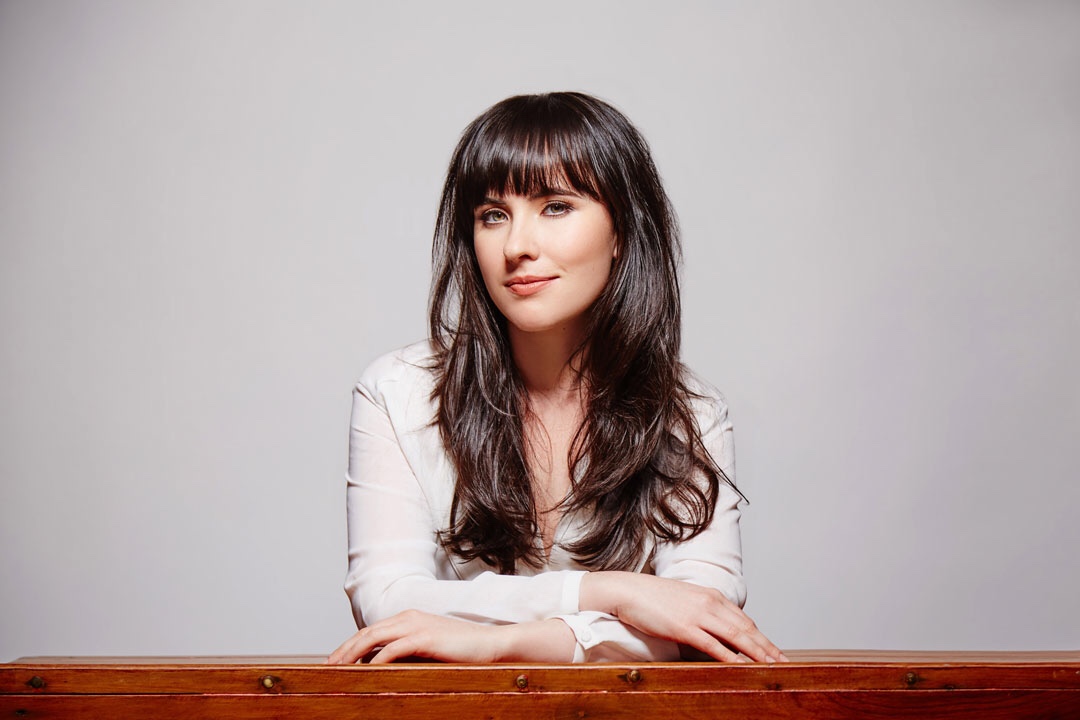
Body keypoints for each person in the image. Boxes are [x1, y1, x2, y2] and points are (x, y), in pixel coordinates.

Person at [328, 92, 785, 664]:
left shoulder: (689, 413)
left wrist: (498, 642)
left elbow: (704, 619)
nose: (517, 247)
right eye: (493, 216)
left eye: (556, 206)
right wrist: (611, 592)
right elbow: (389, 602)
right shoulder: (399, 393)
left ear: (622, 231)